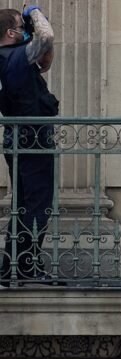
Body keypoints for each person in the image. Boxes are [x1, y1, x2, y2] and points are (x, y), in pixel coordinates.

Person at [0, 6, 59, 285]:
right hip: (33, 138)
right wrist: (33, 13)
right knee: (37, 206)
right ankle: (25, 269)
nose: (25, 30)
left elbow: (45, 51)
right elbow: (46, 36)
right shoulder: (17, 56)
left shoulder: (6, 57)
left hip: (17, 137)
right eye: (20, 26)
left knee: (24, 205)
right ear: (11, 33)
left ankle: (13, 267)